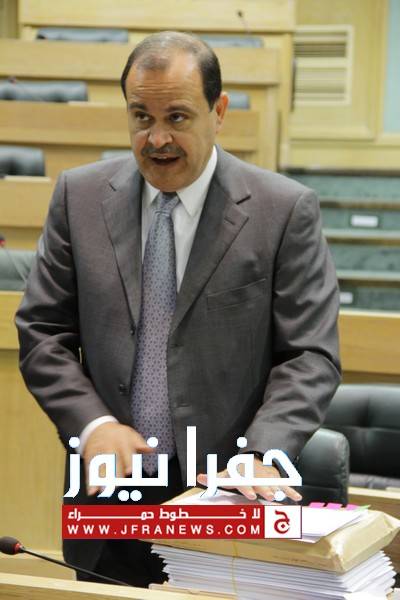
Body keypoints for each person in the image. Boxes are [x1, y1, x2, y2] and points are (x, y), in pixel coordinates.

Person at [15, 31, 341, 588]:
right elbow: (42, 331)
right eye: (141, 116)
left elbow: (309, 355)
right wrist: (92, 424)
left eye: (178, 117)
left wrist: (262, 452)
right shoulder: (78, 197)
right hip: (109, 494)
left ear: (219, 111)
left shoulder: (283, 210)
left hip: (227, 491)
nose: (157, 138)